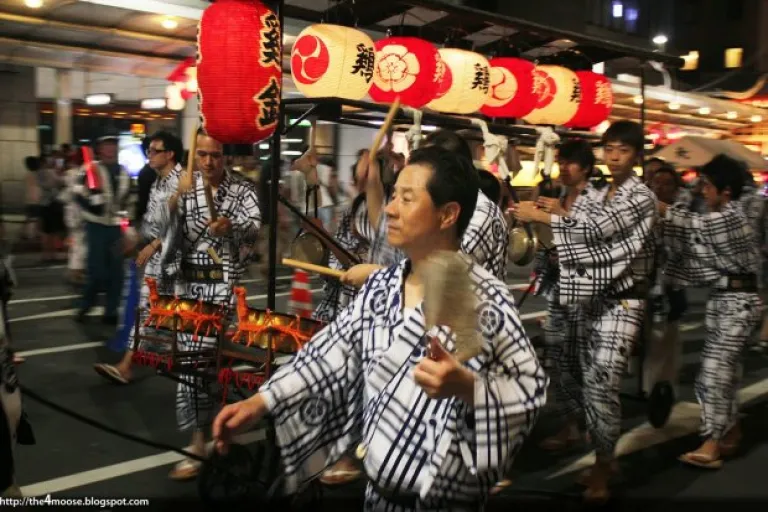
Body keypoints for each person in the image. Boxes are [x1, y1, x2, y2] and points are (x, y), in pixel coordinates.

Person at [212, 146, 547, 511]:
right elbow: (329, 350)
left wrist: (467, 387)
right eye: (393, 195)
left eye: (407, 198)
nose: (390, 209)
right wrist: (261, 401)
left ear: (448, 214)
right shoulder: (381, 286)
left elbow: (529, 392)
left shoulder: (486, 299)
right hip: (377, 496)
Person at [512, 120, 657, 500]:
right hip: (590, 296)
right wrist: (553, 218)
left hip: (623, 300)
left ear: (636, 156)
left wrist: (545, 216)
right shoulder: (602, 193)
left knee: (601, 381)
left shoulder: (640, 195)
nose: (615, 156)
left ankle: (603, 464)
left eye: (623, 150)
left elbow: (596, 230)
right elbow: (580, 232)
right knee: (584, 377)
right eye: (610, 149)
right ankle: (602, 455)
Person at [159, 130, 261, 480]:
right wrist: (175, 200)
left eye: (215, 155)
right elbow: (162, 232)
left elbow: (254, 229)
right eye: (202, 154)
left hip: (221, 287)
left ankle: (200, 440)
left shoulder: (243, 189)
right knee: (192, 363)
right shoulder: (184, 188)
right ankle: (213, 430)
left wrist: (230, 226)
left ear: (225, 156)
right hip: (187, 287)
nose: (208, 162)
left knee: (199, 359)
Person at [659, 154, 761, 469]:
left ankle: (712, 441)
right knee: (725, 373)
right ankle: (731, 431)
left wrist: (660, 207)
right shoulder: (723, 213)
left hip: (739, 302)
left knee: (714, 373)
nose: (703, 191)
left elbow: (693, 225)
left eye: (707, 185)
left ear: (725, 190)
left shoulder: (732, 216)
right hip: (725, 299)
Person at [92, 131, 184, 385]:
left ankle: (130, 365)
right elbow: (154, 222)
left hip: (175, 261)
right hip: (157, 259)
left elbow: (182, 227)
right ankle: (129, 364)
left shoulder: (184, 183)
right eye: (148, 151)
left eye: (155, 151)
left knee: (163, 311)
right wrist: (136, 238)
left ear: (170, 154)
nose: (149, 155)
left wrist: (152, 243)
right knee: (149, 310)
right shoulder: (158, 182)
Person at [532, 139, 599, 452]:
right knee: (559, 356)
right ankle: (570, 424)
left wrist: (559, 216)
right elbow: (546, 239)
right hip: (559, 286)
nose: (563, 167)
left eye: (569, 162)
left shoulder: (596, 200)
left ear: (585, 167)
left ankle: (593, 422)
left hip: (586, 291)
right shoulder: (557, 197)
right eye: (560, 161)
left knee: (587, 359)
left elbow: (597, 241)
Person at [644, 163, 689, 427]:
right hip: (641, 288)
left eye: (666, 183)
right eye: (655, 182)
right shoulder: (641, 209)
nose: (659, 187)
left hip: (669, 290)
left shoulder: (681, 215)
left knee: (664, 345)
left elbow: (678, 251)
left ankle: (658, 391)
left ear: (675, 189)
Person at [73, 133, 132, 325]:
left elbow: (130, 201)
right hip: (96, 226)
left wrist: (128, 226)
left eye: (113, 144)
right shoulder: (89, 169)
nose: (110, 148)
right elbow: (76, 192)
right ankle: (86, 305)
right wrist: (90, 204)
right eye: (106, 145)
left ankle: (111, 311)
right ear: (99, 148)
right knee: (97, 271)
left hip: (116, 227)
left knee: (117, 272)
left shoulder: (124, 172)